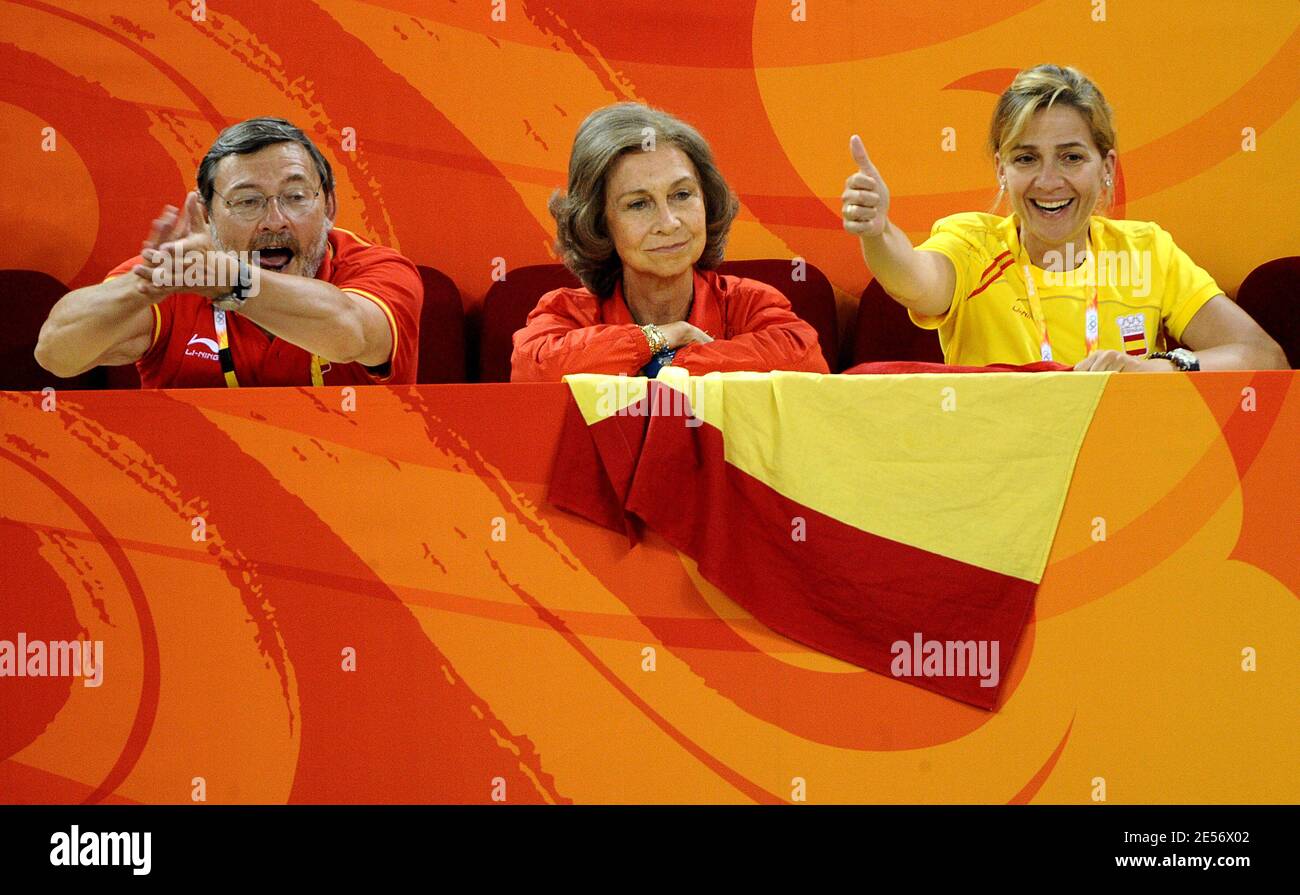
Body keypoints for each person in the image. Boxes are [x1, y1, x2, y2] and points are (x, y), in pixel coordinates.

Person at [840, 64, 1287, 372]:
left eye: (1072, 157)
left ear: (1106, 166)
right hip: (997, 479)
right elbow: (914, 280)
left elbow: (1263, 356)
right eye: (1027, 158)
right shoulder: (973, 243)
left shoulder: (1146, 250)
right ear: (1001, 169)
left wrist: (1156, 368)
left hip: (1122, 473)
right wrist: (878, 233)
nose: (1049, 181)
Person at [35, 117, 422, 387]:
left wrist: (230, 283)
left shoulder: (381, 269)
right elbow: (56, 354)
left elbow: (348, 333)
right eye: (248, 201)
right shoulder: (181, 271)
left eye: (296, 197)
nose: (275, 220)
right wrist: (144, 288)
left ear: (330, 207)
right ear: (207, 214)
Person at [511, 103, 829, 381]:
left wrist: (673, 364)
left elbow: (805, 361)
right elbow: (534, 369)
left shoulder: (749, 303)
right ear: (598, 221)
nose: (669, 222)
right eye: (639, 204)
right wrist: (660, 337)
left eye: (681, 195)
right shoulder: (566, 311)